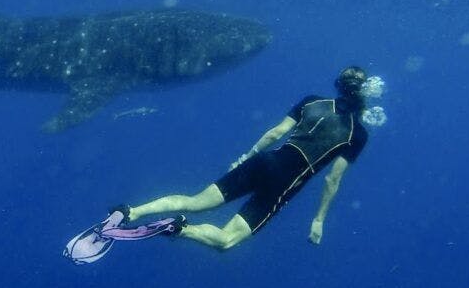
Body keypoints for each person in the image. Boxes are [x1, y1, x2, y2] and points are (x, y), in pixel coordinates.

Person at [117, 66, 374, 250]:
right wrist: (318, 220)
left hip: (263, 161)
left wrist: (246, 157)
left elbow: (275, 133)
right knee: (226, 240)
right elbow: (332, 180)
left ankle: (133, 211)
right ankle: (180, 229)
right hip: (284, 182)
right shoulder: (357, 134)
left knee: (194, 202)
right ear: (363, 93)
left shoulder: (312, 102)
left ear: (339, 85)